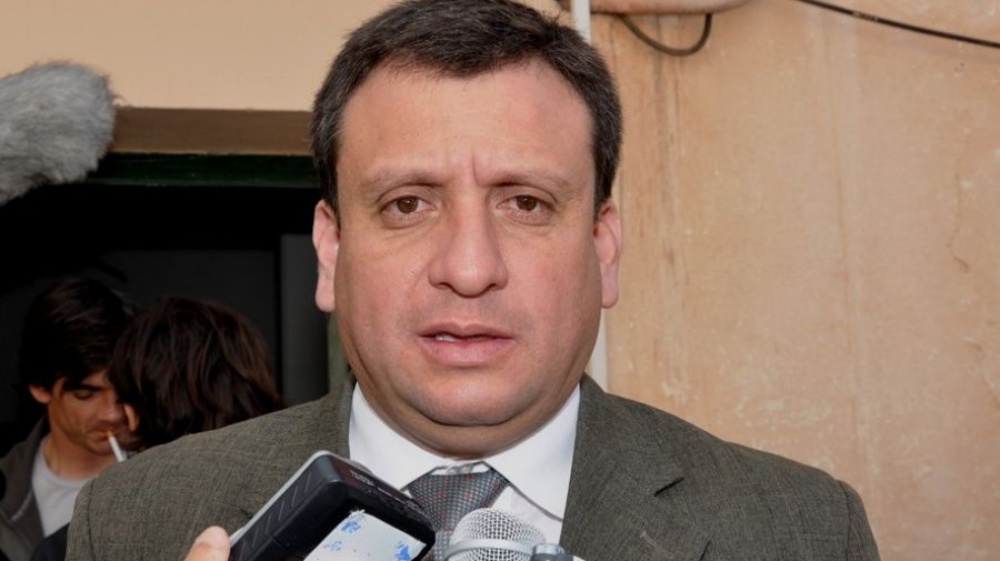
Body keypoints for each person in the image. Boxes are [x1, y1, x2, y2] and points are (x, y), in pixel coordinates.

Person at [66, 1, 883, 561]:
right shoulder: (135, 520)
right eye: (407, 203)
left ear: (603, 248)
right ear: (331, 249)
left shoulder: (803, 530)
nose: (468, 268)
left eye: (525, 202)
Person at [30, 296, 287, 561]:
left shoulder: (83, 541)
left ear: (133, 415)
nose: (109, 414)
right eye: (86, 394)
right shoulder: (305, 494)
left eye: (118, 399)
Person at [0, 276, 133, 561]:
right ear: (40, 387)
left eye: (124, 392)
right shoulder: (9, 494)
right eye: (86, 394)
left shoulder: (172, 472)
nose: (111, 413)